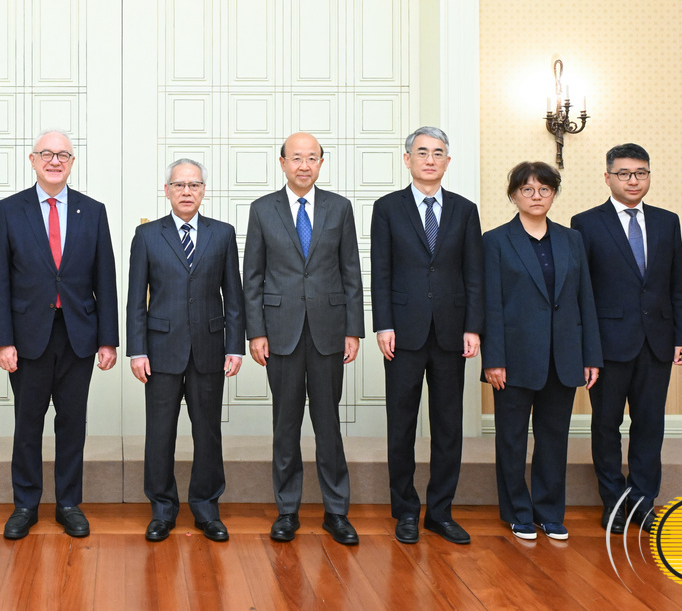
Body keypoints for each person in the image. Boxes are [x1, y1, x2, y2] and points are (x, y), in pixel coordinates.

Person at [0, 130, 119, 540]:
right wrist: (3, 340)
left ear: (72, 162)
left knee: (72, 423)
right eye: (46, 153)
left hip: (79, 335)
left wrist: (108, 339)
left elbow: (105, 278)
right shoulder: (10, 210)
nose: (55, 161)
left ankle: (68, 504)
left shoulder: (92, 211)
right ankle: (25, 504)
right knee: (28, 424)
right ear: (32, 160)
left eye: (63, 154)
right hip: (27, 337)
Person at [242, 132, 364, 545]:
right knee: (286, 424)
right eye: (296, 158)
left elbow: (351, 272)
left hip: (330, 330)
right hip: (280, 333)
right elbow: (252, 277)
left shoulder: (339, 207)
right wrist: (256, 332)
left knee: (328, 424)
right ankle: (287, 511)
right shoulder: (262, 209)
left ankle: (336, 512)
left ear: (321, 163)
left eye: (312, 158)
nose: (304, 165)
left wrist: (353, 329)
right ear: (282, 163)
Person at [571, 143, 682, 533]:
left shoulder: (667, 221)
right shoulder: (586, 223)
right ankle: (613, 503)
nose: (633, 180)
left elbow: (678, 283)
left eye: (641, 172)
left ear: (649, 176)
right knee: (606, 426)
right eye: (624, 173)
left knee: (649, 425)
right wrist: (586, 348)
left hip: (657, 342)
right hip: (607, 346)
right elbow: (581, 292)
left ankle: (643, 502)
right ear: (607, 177)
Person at [370, 127, 483, 545]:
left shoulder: (465, 210)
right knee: (401, 425)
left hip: (452, 332)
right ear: (408, 160)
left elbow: (474, 274)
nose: (430, 159)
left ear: (447, 162)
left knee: (448, 426)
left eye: (438, 153)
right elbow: (380, 270)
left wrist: (473, 327)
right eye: (422, 152)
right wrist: (383, 324)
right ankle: (405, 511)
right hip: (402, 332)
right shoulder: (387, 208)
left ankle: (440, 512)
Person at [482, 161, 602, 542]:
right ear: (514, 195)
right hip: (513, 359)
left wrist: (590, 356)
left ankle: (550, 513)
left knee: (554, 439)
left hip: (563, 357)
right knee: (511, 439)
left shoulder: (572, 240)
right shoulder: (495, 241)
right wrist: (493, 359)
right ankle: (517, 512)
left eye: (544, 190)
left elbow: (585, 301)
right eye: (528, 190)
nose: (536, 196)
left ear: (553, 194)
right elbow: (491, 305)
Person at [127, 159, 245, 542]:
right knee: (160, 433)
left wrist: (235, 346)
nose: (187, 191)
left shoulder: (222, 234)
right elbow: (135, 300)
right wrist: (137, 350)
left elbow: (234, 296)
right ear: (167, 191)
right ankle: (162, 510)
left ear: (203, 191)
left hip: (210, 348)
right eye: (179, 185)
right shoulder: (147, 236)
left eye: (194, 185)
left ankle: (206, 509)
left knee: (207, 433)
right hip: (160, 350)